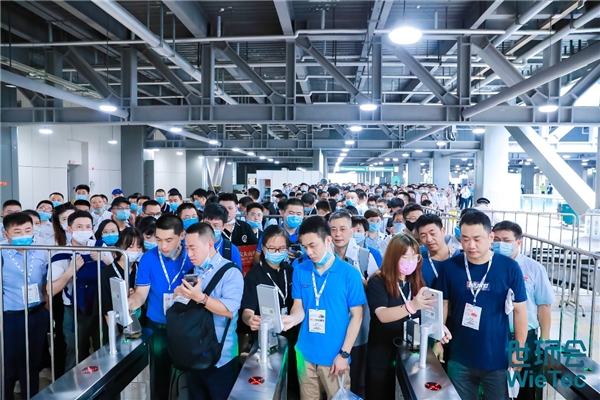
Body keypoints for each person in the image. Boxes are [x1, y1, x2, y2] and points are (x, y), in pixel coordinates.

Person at [435, 211, 528, 400]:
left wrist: (518, 350)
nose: (471, 245)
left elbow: (520, 311)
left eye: (477, 239)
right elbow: (442, 304)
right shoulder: (450, 267)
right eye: (465, 239)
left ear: (490, 237)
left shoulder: (509, 268)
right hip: (459, 356)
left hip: (498, 357)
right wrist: (438, 340)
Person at [281, 216, 366, 399]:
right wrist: (292, 319)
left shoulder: (349, 274)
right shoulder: (300, 270)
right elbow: (299, 307)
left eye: (313, 245)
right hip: (305, 355)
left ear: (328, 240)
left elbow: (357, 316)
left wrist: (344, 354)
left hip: (335, 358)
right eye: (305, 247)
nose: (309, 252)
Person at [172, 222, 243, 399]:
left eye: (193, 248)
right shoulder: (193, 272)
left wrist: (201, 298)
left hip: (221, 356)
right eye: (186, 248)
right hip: (194, 353)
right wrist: (179, 296)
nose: (189, 254)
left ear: (209, 244)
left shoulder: (230, 272)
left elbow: (229, 310)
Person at [366, 233, 442, 399]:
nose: (410, 261)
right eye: (405, 257)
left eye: (414, 257)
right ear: (393, 257)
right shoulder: (378, 281)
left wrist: (440, 328)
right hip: (382, 353)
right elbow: (382, 315)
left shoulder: (417, 282)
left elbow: (426, 313)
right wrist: (411, 306)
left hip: (410, 355)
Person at [128, 214, 194, 400]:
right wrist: (130, 303)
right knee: (160, 373)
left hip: (187, 324)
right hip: (157, 324)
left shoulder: (192, 256)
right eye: (158, 239)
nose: (163, 246)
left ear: (182, 236)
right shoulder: (148, 259)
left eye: (169, 240)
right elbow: (141, 293)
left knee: (188, 372)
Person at [492, 221, 556, 400]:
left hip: (525, 337)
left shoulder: (533, 268)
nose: (500, 244)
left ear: (518, 242)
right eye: (496, 240)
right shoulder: (488, 265)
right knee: (495, 384)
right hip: (495, 335)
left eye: (506, 240)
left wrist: (544, 340)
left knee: (525, 386)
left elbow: (544, 305)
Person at [240, 225, 299, 398]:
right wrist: (250, 319)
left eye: (281, 248)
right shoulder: (254, 275)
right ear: (263, 248)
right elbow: (247, 311)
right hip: (267, 337)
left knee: (294, 378)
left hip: (292, 333)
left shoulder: (291, 271)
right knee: (270, 382)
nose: (277, 252)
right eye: (272, 248)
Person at [49, 210, 112, 369]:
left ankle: (103, 380)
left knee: (104, 347)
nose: (84, 230)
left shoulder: (100, 247)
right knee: (75, 349)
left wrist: (104, 259)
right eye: (79, 227)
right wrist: (70, 271)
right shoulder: (61, 254)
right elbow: (51, 290)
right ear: (69, 229)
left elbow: (116, 273)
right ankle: (73, 382)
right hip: (74, 309)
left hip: (101, 307)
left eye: (87, 227)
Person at [1, 212, 50, 400]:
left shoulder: (40, 251)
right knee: (8, 366)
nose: (24, 235)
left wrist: (45, 308)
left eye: (28, 230)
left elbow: (44, 282)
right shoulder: (2, 253)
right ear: (6, 234)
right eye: (18, 232)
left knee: (31, 364)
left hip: (36, 313)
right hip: (10, 317)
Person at [329, 211, 378, 398]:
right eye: (333, 229)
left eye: (342, 229)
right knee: (332, 378)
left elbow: (376, 289)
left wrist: (357, 280)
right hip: (331, 329)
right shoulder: (324, 257)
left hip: (358, 330)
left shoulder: (365, 257)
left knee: (357, 380)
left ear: (351, 231)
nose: (338, 234)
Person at [99, 227, 144, 344]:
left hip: (139, 321)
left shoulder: (141, 268)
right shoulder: (107, 273)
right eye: (130, 246)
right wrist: (115, 335)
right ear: (120, 246)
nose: (135, 250)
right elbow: (106, 308)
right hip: (115, 324)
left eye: (139, 246)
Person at [253, 198, 304, 264]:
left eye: (299, 214)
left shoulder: (306, 234)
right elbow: (256, 258)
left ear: (303, 215)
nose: (295, 216)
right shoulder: (271, 232)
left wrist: (303, 256)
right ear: (282, 213)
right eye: (291, 213)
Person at [415, 214, 460, 288]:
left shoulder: (460, 258)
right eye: (423, 236)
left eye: (433, 234)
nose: (429, 239)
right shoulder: (418, 261)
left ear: (443, 231)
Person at [202, 204, 243, 270]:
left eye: (215, 225)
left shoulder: (232, 250)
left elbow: (237, 275)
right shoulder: (193, 246)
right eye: (207, 224)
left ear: (224, 226)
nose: (210, 229)